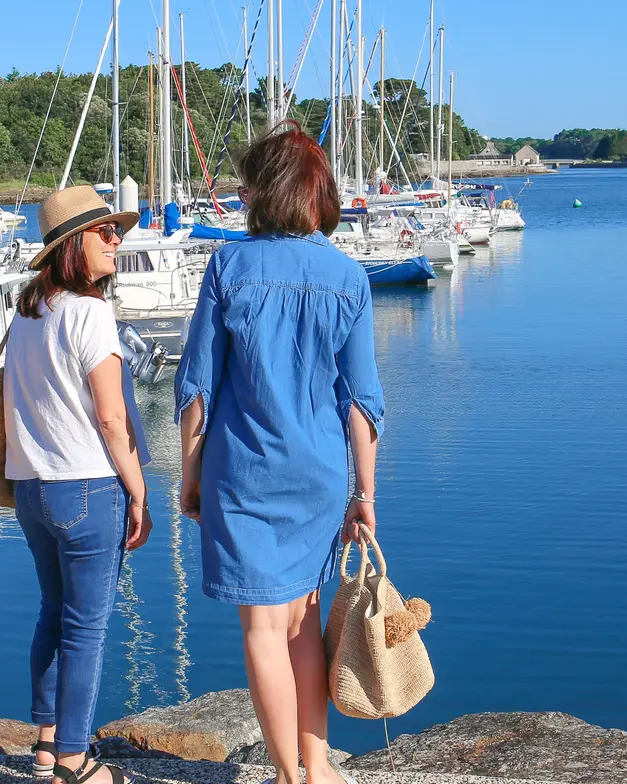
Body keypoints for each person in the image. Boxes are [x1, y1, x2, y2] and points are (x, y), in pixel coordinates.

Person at [175, 122, 384, 784]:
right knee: (303, 621)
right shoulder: (348, 277)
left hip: (244, 471)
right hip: (320, 475)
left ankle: (290, 779)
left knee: (264, 630)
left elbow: (196, 391)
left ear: (264, 193)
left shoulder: (229, 267)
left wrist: (188, 474)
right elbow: (363, 404)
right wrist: (364, 495)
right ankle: (317, 766)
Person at [4, 185, 152, 784]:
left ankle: (44, 747)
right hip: (87, 486)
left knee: (52, 613)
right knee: (87, 627)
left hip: (31, 490)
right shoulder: (90, 313)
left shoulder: (27, 314)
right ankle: (72, 761)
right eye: (105, 232)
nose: (117, 240)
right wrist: (139, 491)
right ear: (73, 246)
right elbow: (112, 419)